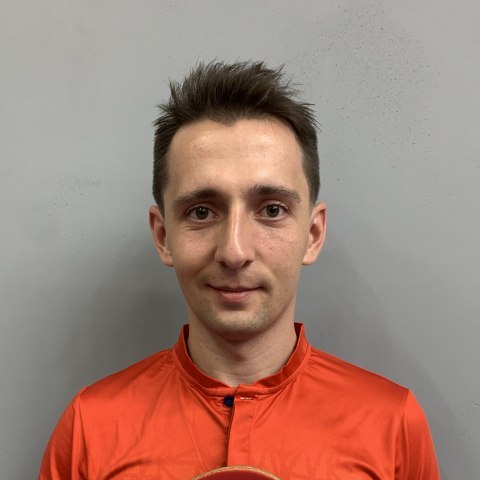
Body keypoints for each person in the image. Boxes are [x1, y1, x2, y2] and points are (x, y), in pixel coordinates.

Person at [39, 61, 440, 479]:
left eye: (272, 210)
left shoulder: (393, 423)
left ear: (313, 234)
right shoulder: (90, 427)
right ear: (163, 236)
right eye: (201, 211)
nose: (234, 251)